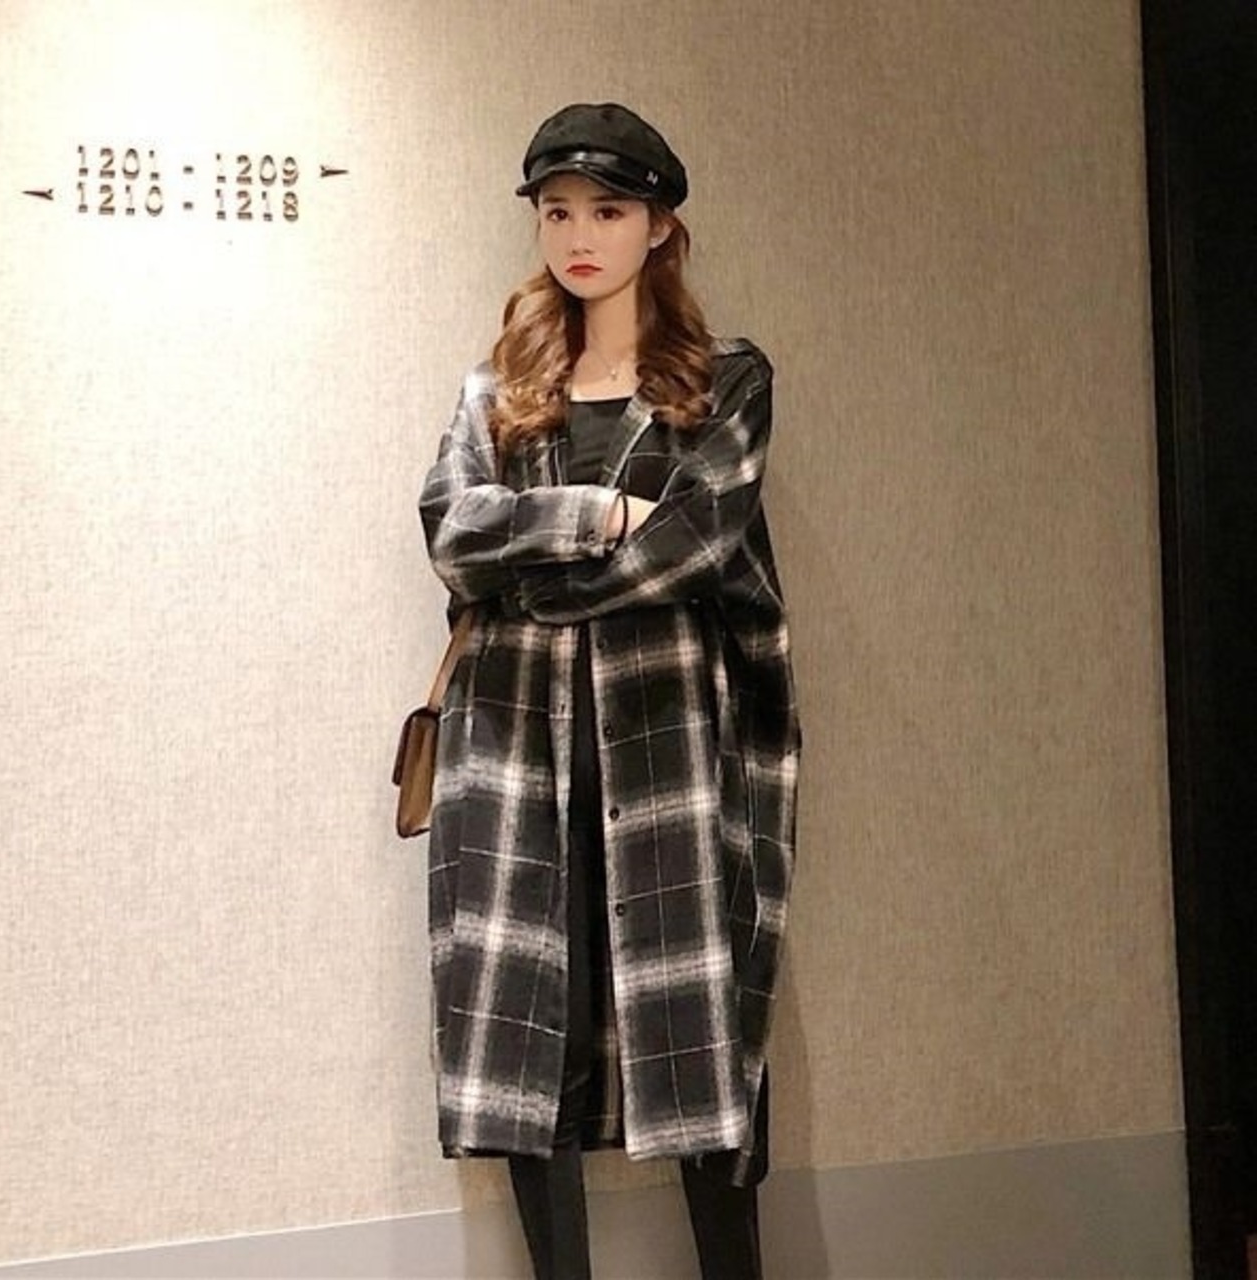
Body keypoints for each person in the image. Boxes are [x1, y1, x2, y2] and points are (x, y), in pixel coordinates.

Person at [418, 102, 800, 1280]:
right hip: (515, 752)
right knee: (532, 1036)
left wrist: (535, 576)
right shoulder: (496, 388)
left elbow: (691, 546)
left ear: (659, 225)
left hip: (665, 741)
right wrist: (593, 512)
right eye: (556, 212)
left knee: (698, 1029)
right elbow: (451, 532)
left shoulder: (723, 381)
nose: (579, 235)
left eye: (607, 210)